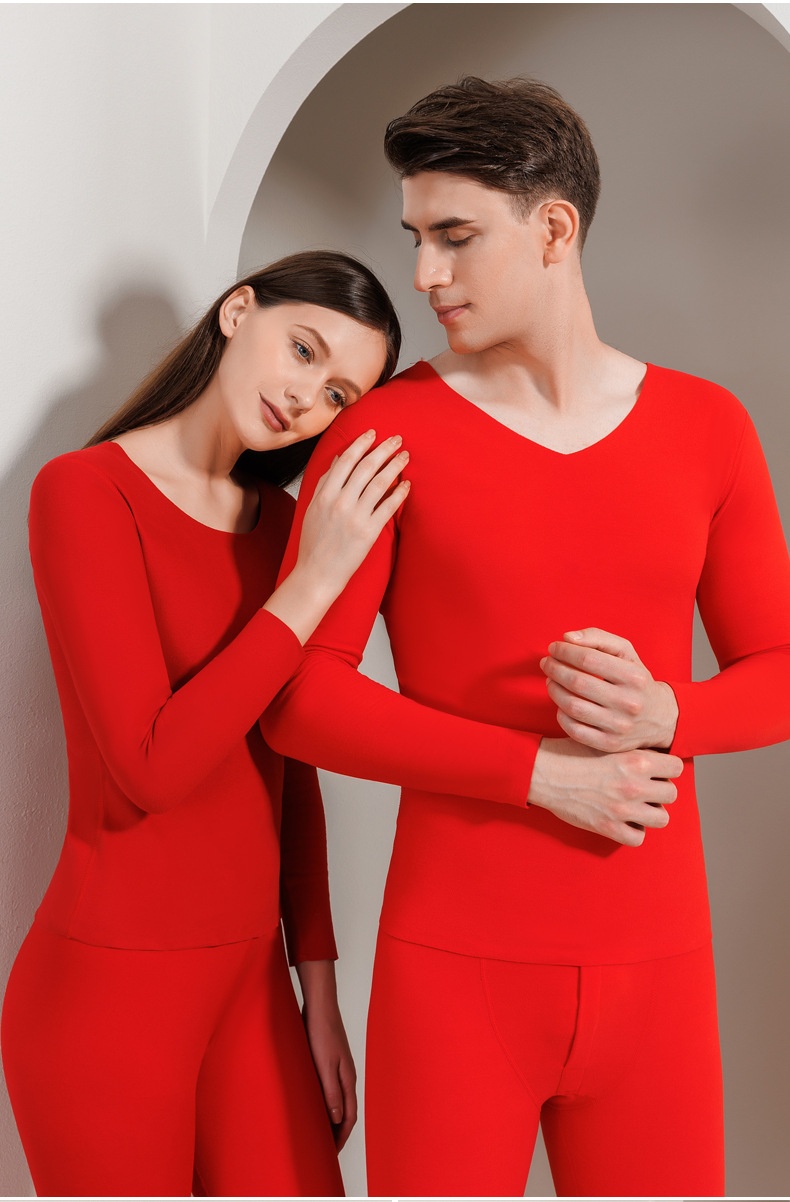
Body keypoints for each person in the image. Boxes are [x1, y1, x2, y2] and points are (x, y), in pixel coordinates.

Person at [260, 79, 790, 1197]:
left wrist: (670, 712)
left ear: (554, 229)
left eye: (454, 236)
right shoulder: (383, 432)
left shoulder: (708, 427)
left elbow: (780, 671)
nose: (423, 274)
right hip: (454, 978)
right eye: (415, 237)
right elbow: (301, 696)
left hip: (659, 980)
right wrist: (539, 773)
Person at [0, 250, 412, 1198]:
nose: (305, 398)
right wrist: (314, 582)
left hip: (255, 991)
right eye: (303, 350)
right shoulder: (85, 492)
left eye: (338, 395)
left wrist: (318, 993)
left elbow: (290, 766)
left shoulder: (282, 529)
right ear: (237, 312)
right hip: (109, 995)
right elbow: (151, 767)